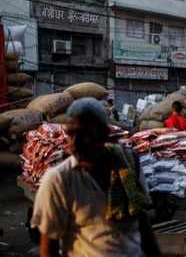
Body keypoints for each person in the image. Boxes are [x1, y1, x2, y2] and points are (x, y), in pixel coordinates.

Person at [31, 98, 160, 257]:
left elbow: (142, 221)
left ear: (104, 134)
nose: (75, 142)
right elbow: (49, 248)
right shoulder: (59, 179)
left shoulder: (129, 163)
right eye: (70, 134)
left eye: (85, 134)